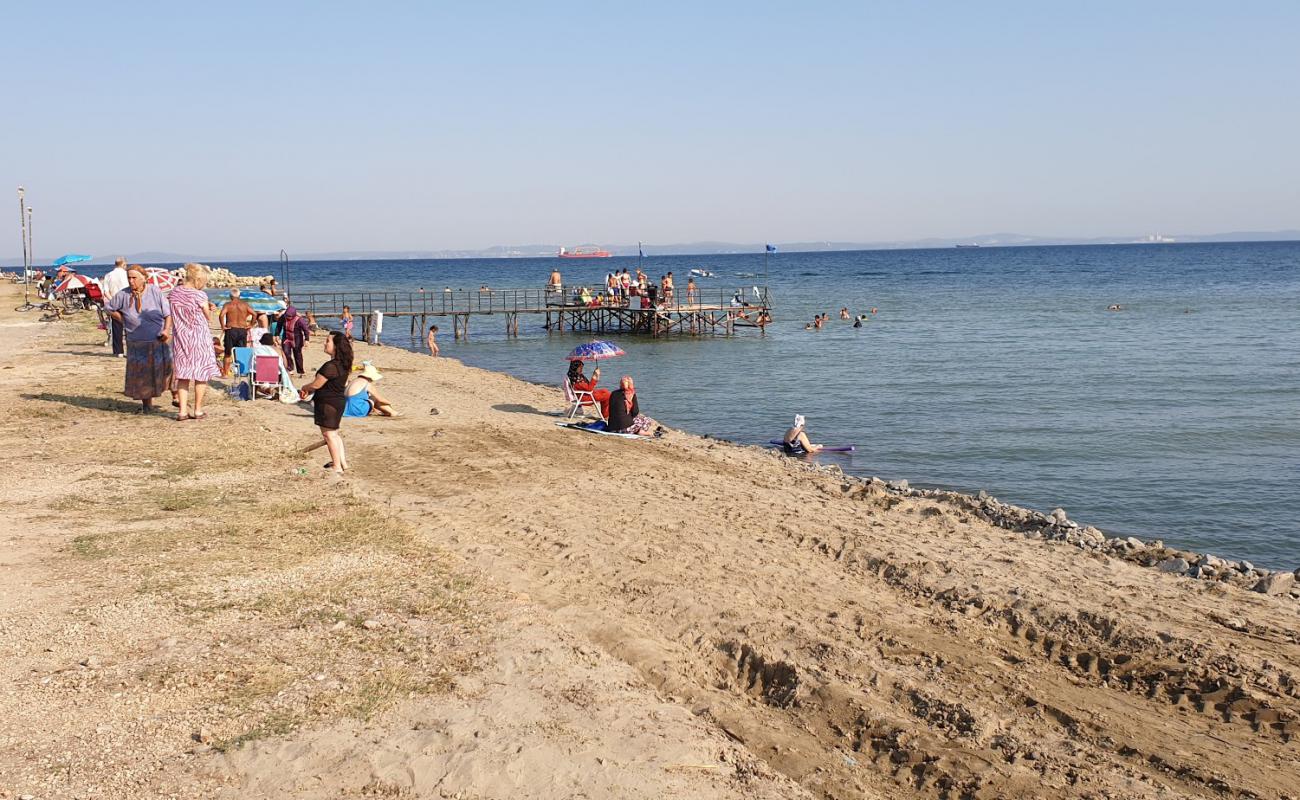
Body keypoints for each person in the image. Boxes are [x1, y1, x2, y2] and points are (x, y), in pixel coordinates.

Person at [105, 266, 173, 413]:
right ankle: (147, 405)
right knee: (143, 374)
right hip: (137, 341)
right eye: (129, 278)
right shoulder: (123, 295)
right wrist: (122, 319)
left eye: (134, 278)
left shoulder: (154, 291)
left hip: (158, 338)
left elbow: (168, 314)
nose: (131, 281)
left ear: (144, 278)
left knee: (169, 368)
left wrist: (166, 330)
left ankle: (176, 397)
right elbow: (109, 307)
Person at [169, 264, 221, 421]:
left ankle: (182, 411)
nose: (204, 284)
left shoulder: (173, 293)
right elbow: (207, 317)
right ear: (198, 279)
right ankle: (197, 409)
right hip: (199, 338)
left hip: (181, 337)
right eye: (203, 281)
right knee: (201, 375)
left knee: (183, 376)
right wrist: (210, 310)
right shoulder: (200, 295)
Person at [298, 331, 353, 474]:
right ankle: (343, 464)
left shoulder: (331, 366)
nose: (324, 343)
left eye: (327, 341)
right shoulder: (343, 364)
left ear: (336, 346)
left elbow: (316, 384)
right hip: (337, 402)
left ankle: (337, 466)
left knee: (329, 435)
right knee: (334, 434)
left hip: (328, 403)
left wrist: (305, 388)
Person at [218, 288, 255, 377]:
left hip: (231, 329)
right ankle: (242, 372)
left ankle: (225, 373)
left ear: (230, 296)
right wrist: (251, 325)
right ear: (239, 296)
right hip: (242, 330)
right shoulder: (245, 305)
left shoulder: (228, 305)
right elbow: (254, 314)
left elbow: (221, 315)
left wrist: (223, 326)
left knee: (228, 353)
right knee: (241, 351)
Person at [101, 257, 130, 356]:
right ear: (123, 264)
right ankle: (131, 350)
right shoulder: (126, 274)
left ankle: (118, 351)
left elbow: (105, 292)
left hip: (113, 301)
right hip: (127, 300)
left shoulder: (108, 275)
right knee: (130, 325)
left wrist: (112, 300)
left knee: (116, 326)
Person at [281, 306, 311, 377]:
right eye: (287, 316)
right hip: (287, 338)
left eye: (290, 316)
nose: (288, 317)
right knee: (286, 353)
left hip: (297, 338)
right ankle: (290, 368)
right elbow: (279, 326)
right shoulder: (283, 318)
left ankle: (300, 371)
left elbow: (306, 330)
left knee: (297, 354)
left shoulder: (300, 320)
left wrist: (307, 339)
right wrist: (276, 335)